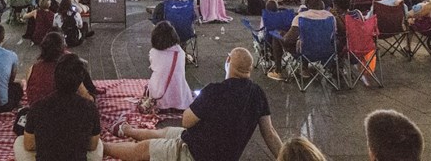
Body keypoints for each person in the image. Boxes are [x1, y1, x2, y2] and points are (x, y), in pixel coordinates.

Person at [105, 47, 283, 161]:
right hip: (216, 151)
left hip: (194, 153)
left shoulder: (214, 90)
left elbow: (186, 121)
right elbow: (270, 134)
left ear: (228, 61)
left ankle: (101, 146)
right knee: (164, 132)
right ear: (249, 70)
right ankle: (126, 130)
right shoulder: (258, 94)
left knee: (142, 150)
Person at [16, 54, 103, 161]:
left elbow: (29, 145)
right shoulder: (90, 108)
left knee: (19, 143)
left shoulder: (37, 107)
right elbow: (92, 145)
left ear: (55, 77)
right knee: (99, 145)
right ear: (80, 82)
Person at [147, 21, 193, 111]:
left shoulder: (153, 52)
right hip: (180, 97)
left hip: (159, 96)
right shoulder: (180, 52)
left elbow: (153, 67)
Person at [24, 31, 67, 107]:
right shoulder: (66, 69)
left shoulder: (33, 68)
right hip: (57, 113)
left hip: (35, 113)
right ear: (62, 49)